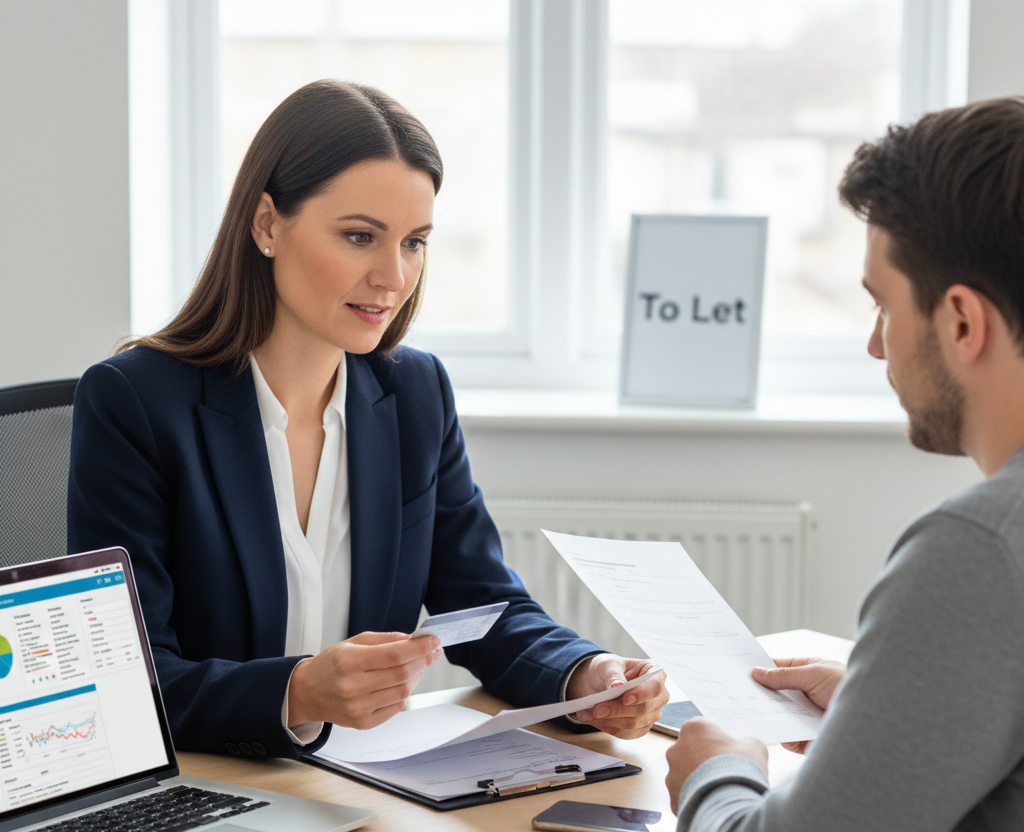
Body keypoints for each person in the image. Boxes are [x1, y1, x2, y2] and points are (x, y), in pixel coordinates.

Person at [67, 80, 668, 759]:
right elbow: (124, 682)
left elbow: (482, 606)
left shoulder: (414, 394)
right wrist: (296, 692)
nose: (393, 276)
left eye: (414, 242)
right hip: (213, 788)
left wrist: (585, 676)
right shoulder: (136, 403)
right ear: (266, 224)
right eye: (360, 237)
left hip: (363, 788)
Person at [664, 96, 1024, 831]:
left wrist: (717, 772)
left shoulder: (981, 549)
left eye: (882, 306)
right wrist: (888, 709)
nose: (875, 346)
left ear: (961, 321)